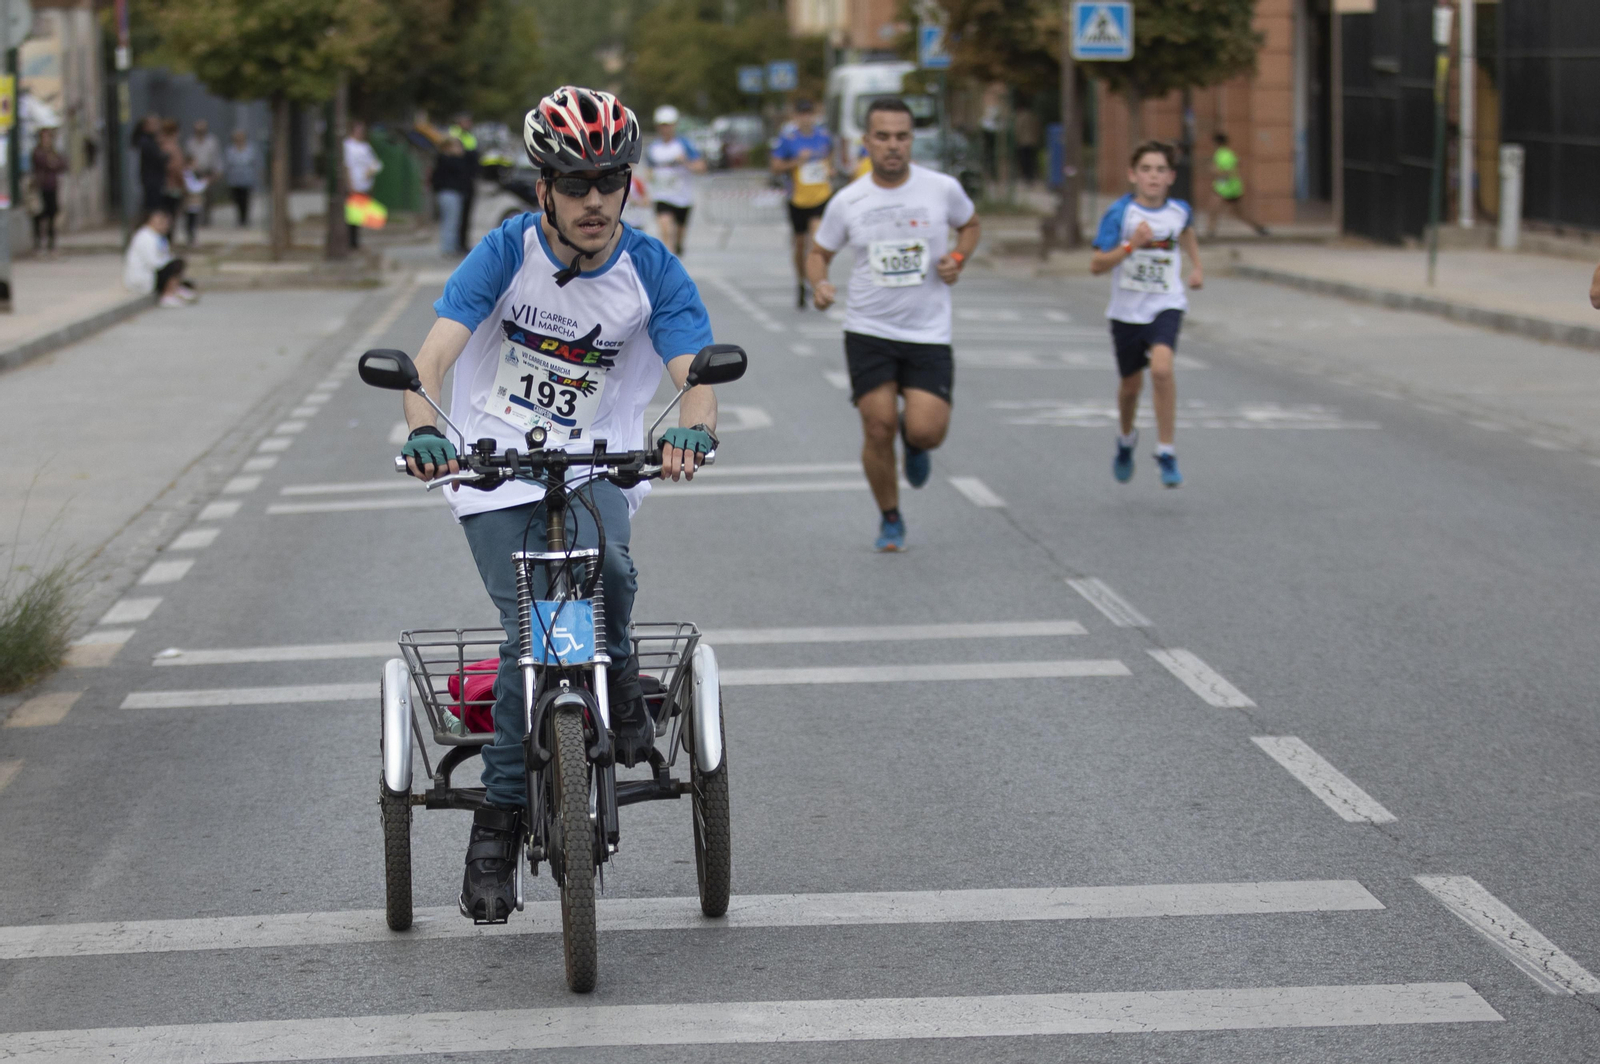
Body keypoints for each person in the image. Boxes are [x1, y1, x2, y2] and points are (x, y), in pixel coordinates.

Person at [396, 86, 725, 924]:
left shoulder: (650, 268)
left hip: (595, 467)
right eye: (574, 184)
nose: (592, 200)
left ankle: (615, 694)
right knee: (530, 634)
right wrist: (426, 429)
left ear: (627, 183)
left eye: (608, 181)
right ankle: (496, 831)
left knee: (610, 569)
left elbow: (694, 379)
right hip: (494, 472)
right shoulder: (504, 253)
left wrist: (693, 432)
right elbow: (431, 360)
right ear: (543, 188)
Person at [807, 97, 981, 552]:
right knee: (877, 426)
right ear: (866, 142)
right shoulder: (850, 200)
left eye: (902, 136)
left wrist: (958, 258)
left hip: (928, 331)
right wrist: (820, 285)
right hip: (869, 329)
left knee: (927, 430)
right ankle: (890, 516)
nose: (892, 146)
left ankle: (916, 444)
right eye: (882, 136)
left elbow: (971, 224)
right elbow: (818, 253)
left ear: (912, 140)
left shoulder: (941, 189)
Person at [1090, 140, 1204, 489]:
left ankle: (1166, 451)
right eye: (1146, 170)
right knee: (1130, 387)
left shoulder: (1180, 211)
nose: (1153, 177)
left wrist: (1197, 267)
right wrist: (1130, 246)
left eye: (1160, 170)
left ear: (1171, 176)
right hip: (1126, 312)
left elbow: (1186, 233)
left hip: (1165, 303)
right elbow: (1097, 264)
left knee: (1162, 369)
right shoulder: (1120, 214)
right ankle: (1125, 441)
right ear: (1132, 174)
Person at [770, 99, 833, 309]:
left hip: (820, 196)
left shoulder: (823, 136)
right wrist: (797, 161)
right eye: (802, 114)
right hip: (797, 198)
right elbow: (776, 166)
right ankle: (800, 282)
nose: (806, 118)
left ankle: (818, 284)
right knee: (800, 245)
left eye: (809, 114)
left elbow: (831, 158)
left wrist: (830, 169)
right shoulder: (788, 139)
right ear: (796, 116)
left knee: (817, 241)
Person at [643, 104, 705, 256]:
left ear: (674, 125)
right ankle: (668, 264)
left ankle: (677, 249)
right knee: (666, 232)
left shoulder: (684, 145)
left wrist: (685, 162)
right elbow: (648, 172)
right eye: (662, 125)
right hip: (662, 196)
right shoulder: (653, 149)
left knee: (678, 238)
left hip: (682, 198)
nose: (665, 129)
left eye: (668, 125)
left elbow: (701, 167)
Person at [123, 208, 195, 307]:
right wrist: (169, 263)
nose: (165, 225)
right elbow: (153, 262)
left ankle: (175, 288)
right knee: (176, 264)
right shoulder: (145, 237)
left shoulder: (158, 237)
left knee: (185, 279)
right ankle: (168, 295)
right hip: (144, 277)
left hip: (153, 271)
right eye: (161, 222)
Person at [1207, 132, 1268, 238]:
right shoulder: (1229, 153)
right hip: (1231, 188)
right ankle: (1259, 228)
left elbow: (1227, 171)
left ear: (1216, 142)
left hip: (1225, 188)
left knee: (1214, 209)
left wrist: (1215, 171)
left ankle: (1211, 232)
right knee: (1237, 213)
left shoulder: (1222, 155)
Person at [431, 137, 474, 256]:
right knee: (450, 221)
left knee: (453, 221)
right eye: (456, 146)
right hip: (449, 193)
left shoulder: (449, 160)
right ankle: (448, 248)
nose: (460, 149)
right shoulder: (447, 160)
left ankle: (451, 246)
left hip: (453, 193)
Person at [343, 121, 383, 250]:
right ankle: (350, 241)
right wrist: (349, 183)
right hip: (354, 183)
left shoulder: (365, 147)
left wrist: (369, 173)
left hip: (363, 184)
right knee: (352, 214)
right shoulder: (347, 146)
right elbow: (346, 166)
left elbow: (375, 163)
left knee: (358, 214)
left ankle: (355, 241)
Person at [29, 128, 65, 255]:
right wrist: (51, 162)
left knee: (52, 213)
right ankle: (38, 242)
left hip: (52, 187)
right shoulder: (38, 152)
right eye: (44, 137)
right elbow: (44, 163)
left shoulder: (53, 152)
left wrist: (53, 163)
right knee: (38, 214)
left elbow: (61, 164)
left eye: (48, 137)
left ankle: (51, 243)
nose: (46, 140)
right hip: (40, 187)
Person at [447, 113, 480, 252]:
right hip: (458, 181)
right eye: (465, 121)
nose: (468, 124)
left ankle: (462, 243)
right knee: (456, 216)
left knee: (466, 215)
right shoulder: (454, 133)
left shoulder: (470, 136)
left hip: (468, 180)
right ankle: (454, 244)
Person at [184, 119, 222, 225]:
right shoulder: (190, 142)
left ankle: (207, 218)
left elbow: (216, 157)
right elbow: (188, 157)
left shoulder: (212, 141)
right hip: (195, 172)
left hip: (208, 171)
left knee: (208, 196)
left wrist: (217, 172)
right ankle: (196, 219)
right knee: (195, 197)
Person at [224, 130, 258, 227]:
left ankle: (245, 218)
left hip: (247, 178)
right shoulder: (230, 150)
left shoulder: (250, 149)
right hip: (234, 179)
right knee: (237, 199)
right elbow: (227, 164)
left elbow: (254, 163)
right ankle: (239, 218)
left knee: (246, 199)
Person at [133, 115, 167, 213]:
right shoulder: (145, 142)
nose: (157, 126)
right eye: (154, 124)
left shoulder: (151, 140)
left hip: (154, 179)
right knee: (152, 208)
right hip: (150, 180)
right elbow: (157, 158)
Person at [181, 156, 209, 247]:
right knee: (191, 220)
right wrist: (204, 183)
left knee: (193, 220)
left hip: (194, 201)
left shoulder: (192, 174)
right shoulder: (187, 174)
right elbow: (192, 187)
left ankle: (192, 238)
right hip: (190, 201)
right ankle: (191, 239)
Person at [1014, 106, 1041, 186]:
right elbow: (1037, 127)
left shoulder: (1021, 116)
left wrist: (1017, 139)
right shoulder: (1033, 116)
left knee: (1024, 160)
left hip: (1023, 141)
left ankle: (1026, 176)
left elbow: (1018, 128)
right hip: (1032, 141)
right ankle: (1031, 175)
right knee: (1031, 159)